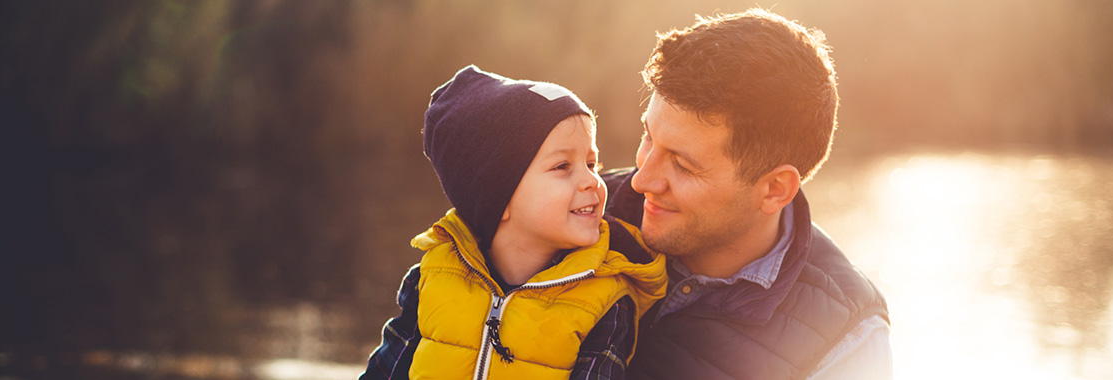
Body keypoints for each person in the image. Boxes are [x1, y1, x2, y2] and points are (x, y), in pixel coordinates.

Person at [601, 9, 892, 380]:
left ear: (774, 189)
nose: (642, 181)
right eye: (649, 137)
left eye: (682, 164)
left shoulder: (846, 341)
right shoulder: (573, 210)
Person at [360, 65, 668, 380]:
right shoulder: (432, 277)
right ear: (499, 197)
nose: (592, 180)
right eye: (563, 166)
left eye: (591, 163)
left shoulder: (608, 304)